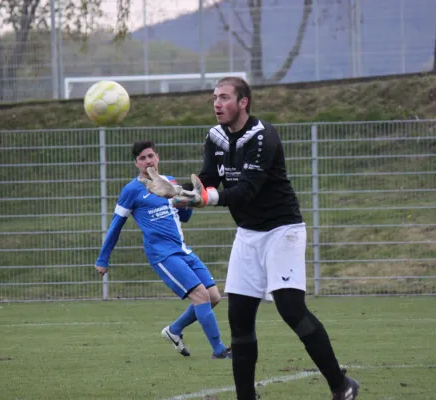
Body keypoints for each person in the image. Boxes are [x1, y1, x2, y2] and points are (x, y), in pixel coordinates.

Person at [141, 77, 359, 400]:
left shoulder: (263, 136)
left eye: (225, 97)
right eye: (215, 97)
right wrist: (181, 191)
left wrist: (206, 199)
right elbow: (209, 178)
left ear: (243, 102)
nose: (217, 103)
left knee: (291, 309)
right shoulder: (215, 137)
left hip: (282, 230)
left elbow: (247, 189)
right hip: (248, 235)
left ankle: (342, 387)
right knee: (239, 317)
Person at [94, 140, 232, 360]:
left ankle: (174, 330)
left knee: (214, 296)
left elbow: (184, 217)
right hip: (162, 254)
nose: (148, 161)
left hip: (182, 250)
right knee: (201, 296)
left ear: (157, 157)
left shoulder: (169, 182)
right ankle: (220, 351)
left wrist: (184, 201)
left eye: (151, 156)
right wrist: (103, 259)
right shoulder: (131, 190)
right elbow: (115, 225)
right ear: (136, 163)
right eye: (142, 158)